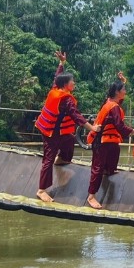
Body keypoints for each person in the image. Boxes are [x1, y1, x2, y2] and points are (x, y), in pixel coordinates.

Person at [34, 50, 99, 203]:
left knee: (69, 141)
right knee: (48, 159)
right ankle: (41, 190)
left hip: (52, 129)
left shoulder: (55, 89)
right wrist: (93, 128)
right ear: (66, 84)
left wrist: (61, 63)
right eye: (72, 81)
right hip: (52, 132)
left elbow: (57, 76)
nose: (74, 83)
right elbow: (76, 116)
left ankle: (62, 159)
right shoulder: (66, 99)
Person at [86, 73, 134, 210]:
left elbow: (118, 108)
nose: (125, 92)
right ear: (117, 92)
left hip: (110, 140)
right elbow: (120, 126)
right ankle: (91, 196)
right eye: (123, 89)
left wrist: (124, 81)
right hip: (101, 140)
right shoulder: (112, 107)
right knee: (97, 168)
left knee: (115, 152)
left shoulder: (111, 102)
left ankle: (109, 170)